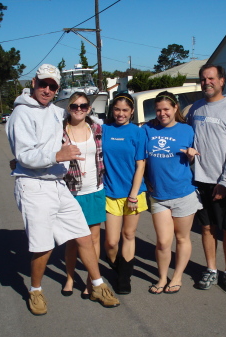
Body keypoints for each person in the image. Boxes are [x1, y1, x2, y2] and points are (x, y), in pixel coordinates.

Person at [6, 64, 119, 315]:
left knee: (84, 235)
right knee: (43, 245)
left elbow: (83, 119)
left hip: (57, 183)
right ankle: (35, 290)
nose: (47, 89)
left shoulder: (55, 112)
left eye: (52, 86)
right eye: (43, 84)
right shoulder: (21, 114)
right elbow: (25, 154)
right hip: (33, 186)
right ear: (34, 82)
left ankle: (98, 284)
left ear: (57, 90)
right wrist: (57, 155)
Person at [186, 64, 226, 293]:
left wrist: (225, 181)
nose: (206, 82)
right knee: (207, 228)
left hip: (223, 182)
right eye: (203, 79)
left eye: (211, 78)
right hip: (199, 180)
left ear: (221, 81)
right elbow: (187, 138)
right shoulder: (195, 109)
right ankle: (211, 269)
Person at [142, 91, 202, 294]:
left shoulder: (187, 130)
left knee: (182, 238)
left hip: (184, 193)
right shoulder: (148, 129)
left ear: (175, 108)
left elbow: (198, 160)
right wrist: (144, 180)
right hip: (158, 196)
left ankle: (176, 277)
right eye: (158, 110)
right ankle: (161, 278)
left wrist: (193, 157)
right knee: (162, 241)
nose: (162, 113)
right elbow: (140, 158)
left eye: (166, 109)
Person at [60, 92, 106, 300]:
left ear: (88, 107)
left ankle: (90, 280)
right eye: (74, 106)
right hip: (70, 192)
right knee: (73, 240)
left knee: (94, 238)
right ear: (69, 107)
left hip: (95, 189)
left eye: (83, 106)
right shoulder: (59, 130)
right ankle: (69, 278)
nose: (79, 109)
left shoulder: (96, 128)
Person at [102, 93, 148, 294]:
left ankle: (124, 277)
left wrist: (133, 195)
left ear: (131, 112)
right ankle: (116, 264)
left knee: (128, 234)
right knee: (111, 242)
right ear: (112, 110)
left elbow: (141, 165)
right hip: (110, 192)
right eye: (117, 109)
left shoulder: (137, 133)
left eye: (125, 110)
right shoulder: (104, 130)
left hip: (134, 193)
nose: (120, 114)